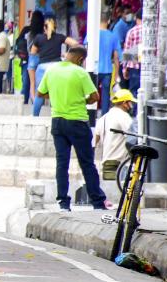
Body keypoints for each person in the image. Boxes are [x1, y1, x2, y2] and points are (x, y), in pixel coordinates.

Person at [37, 44, 108, 211]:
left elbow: (40, 93)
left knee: (62, 163)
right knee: (87, 163)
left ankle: (63, 203)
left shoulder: (52, 70)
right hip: (77, 123)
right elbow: (95, 96)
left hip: (58, 122)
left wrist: (55, 97)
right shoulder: (80, 72)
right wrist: (83, 100)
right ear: (81, 59)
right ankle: (97, 202)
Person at [30, 12, 78, 116]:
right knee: (56, 93)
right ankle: (56, 115)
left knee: (40, 94)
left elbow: (33, 53)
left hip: (42, 67)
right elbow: (75, 44)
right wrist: (66, 54)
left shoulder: (38, 38)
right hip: (57, 67)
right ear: (55, 27)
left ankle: (34, 116)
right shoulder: (59, 37)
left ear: (44, 27)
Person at [93, 89, 137, 182]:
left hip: (106, 165)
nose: (131, 106)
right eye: (130, 103)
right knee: (121, 193)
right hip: (120, 164)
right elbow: (134, 137)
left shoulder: (103, 118)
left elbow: (94, 142)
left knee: (109, 192)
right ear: (125, 103)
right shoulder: (124, 117)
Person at [88, 12, 121, 111]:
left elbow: (86, 52)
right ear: (108, 21)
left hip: (93, 69)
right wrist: (116, 74)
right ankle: (104, 115)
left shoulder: (91, 34)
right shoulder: (113, 36)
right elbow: (116, 56)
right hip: (107, 70)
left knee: (91, 93)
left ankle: (90, 115)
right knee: (106, 94)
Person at [17, 11, 44, 105]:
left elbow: (18, 42)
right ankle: (37, 102)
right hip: (41, 59)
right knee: (39, 83)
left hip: (27, 59)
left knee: (26, 82)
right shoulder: (43, 32)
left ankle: (24, 102)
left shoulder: (27, 30)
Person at [120, 8, 143, 109]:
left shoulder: (132, 32)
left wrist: (125, 69)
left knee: (134, 91)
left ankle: (135, 114)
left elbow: (127, 52)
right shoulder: (155, 32)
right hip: (150, 68)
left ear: (137, 19)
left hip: (134, 66)